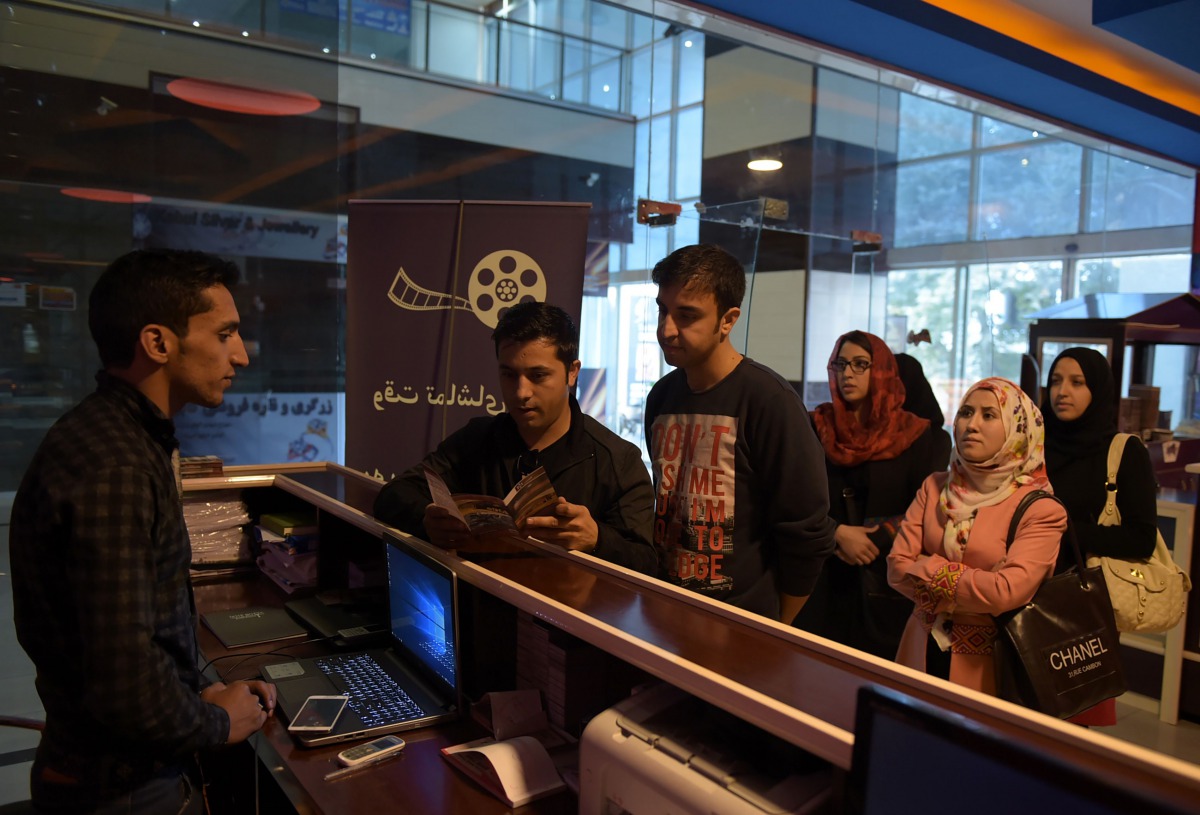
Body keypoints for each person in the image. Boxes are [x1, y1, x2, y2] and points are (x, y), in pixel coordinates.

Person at [10, 249, 276, 814]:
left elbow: (131, 644)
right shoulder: (118, 466)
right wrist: (219, 719)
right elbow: (125, 689)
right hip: (121, 787)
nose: (241, 355)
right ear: (158, 343)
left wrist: (197, 694)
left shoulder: (121, 436)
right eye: (225, 333)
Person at [373, 301, 657, 574]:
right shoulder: (477, 440)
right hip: (483, 609)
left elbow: (647, 563)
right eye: (508, 375)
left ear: (572, 372)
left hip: (572, 618)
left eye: (538, 375)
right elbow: (394, 495)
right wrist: (426, 519)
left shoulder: (617, 461)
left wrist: (597, 540)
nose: (521, 392)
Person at [644, 244, 836, 622]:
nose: (666, 329)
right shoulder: (662, 396)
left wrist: (777, 627)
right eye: (662, 310)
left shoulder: (768, 400)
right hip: (668, 610)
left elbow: (807, 531)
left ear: (728, 321)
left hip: (742, 622)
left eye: (686, 316)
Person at [887, 377, 1067, 693]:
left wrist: (928, 569)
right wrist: (972, 587)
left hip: (991, 664)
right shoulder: (934, 487)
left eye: (988, 415)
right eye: (966, 412)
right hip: (920, 649)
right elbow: (896, 569)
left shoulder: (1040, 508)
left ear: (1017, 428)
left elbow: (1005, 592)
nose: (971, 424)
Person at [793, 331, 947, 658]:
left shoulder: (914, 433)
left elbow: (924, 508)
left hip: (885, 579)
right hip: (824, 574)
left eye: (861, 364)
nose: (847, 373)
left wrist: (874, 539)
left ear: (881, 371)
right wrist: (837, 533)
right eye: (840, 364)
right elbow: (795, 496)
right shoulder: (814, 424)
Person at [1043, 346, 1157, 726]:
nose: (1063, 391)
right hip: (1021, 588)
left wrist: (1065, 532)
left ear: (1099, 390)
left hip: (1081, 598)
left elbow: (1141, 538)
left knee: (1070, 718)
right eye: (1056, 381)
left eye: (1078, 382)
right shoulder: (1034, 443)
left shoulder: (1124, 452)